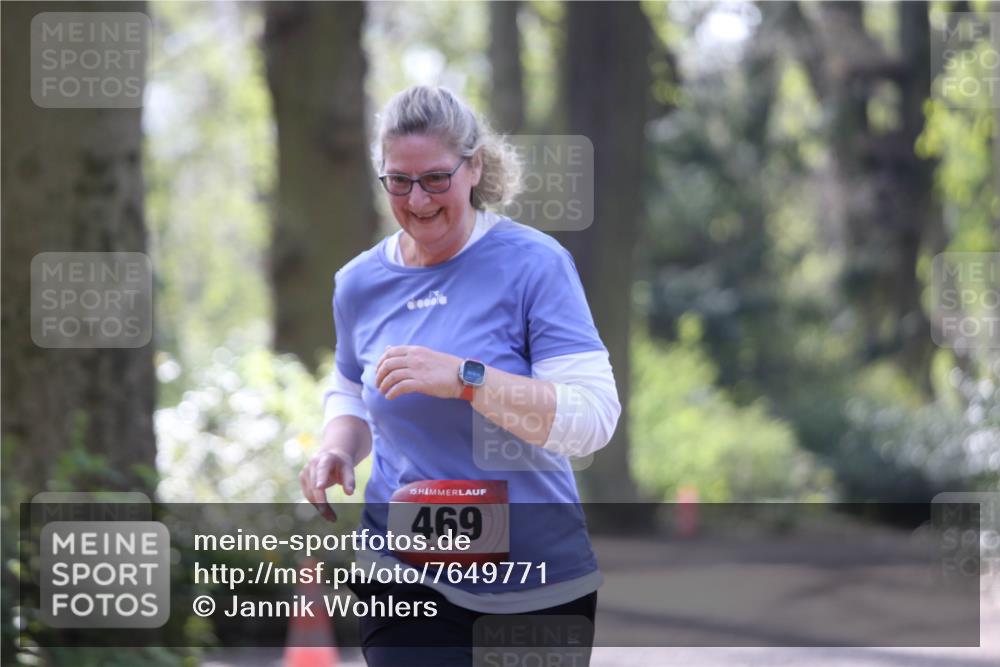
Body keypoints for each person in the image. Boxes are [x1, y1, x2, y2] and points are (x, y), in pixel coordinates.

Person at [299, 85, 621, 666]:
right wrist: (338, 448)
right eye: (399, 180)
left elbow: (592, 420)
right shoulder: (358, 283)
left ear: (473, 168)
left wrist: (468, 378)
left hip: (535, 579)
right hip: (403, 576)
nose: (418, 199)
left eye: (435, 179)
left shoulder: (535, 265)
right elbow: (350, 388)